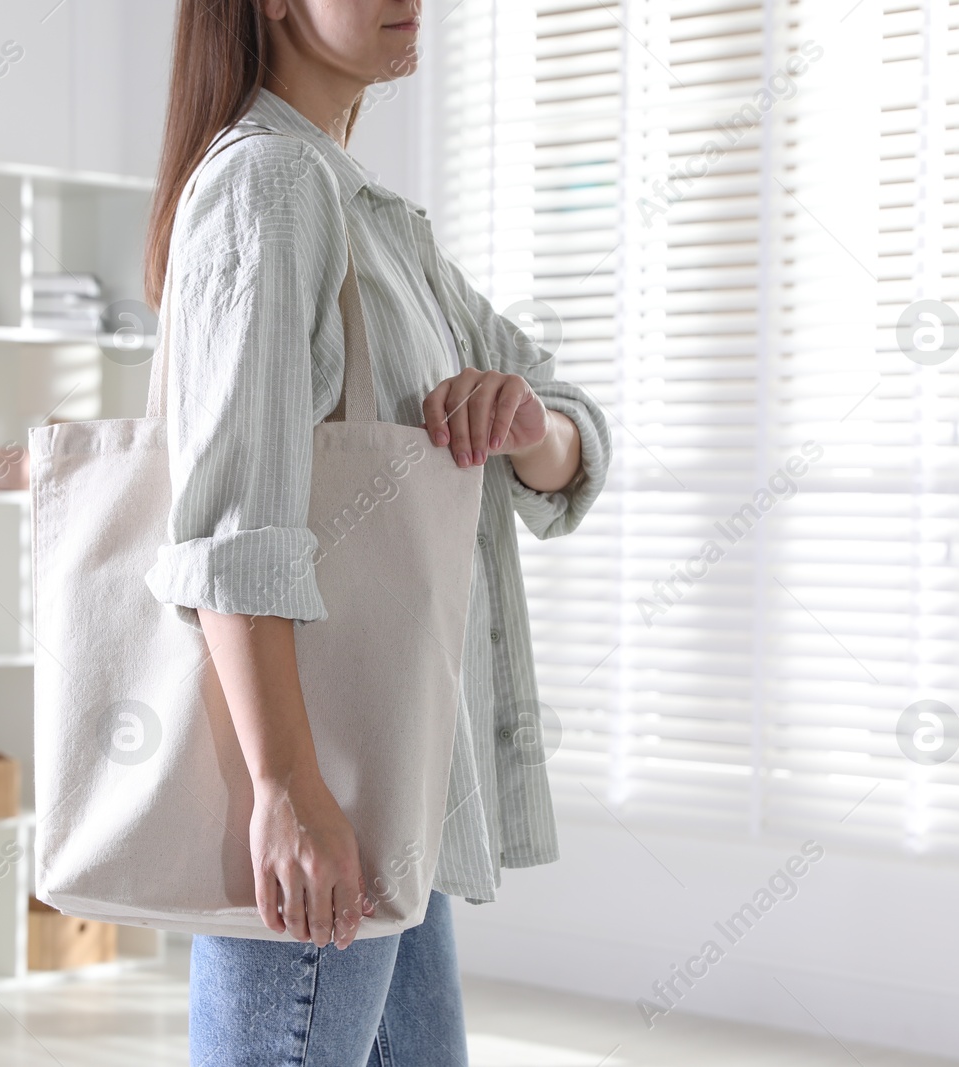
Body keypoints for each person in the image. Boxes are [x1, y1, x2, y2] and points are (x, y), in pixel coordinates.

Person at [141, 1, 611, 1062]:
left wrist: (526, 426)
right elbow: (234, 530)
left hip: (397, 771)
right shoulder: (269, 183)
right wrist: (285, 789)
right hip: (326, 781)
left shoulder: (369, 215)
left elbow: (574, 422)